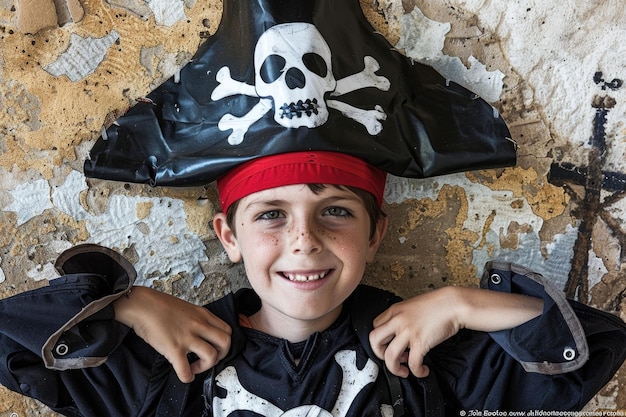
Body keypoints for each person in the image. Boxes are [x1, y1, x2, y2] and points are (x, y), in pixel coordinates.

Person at [1, 151, 625, 416]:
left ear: (377, 232)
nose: (304, 240)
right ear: (228, 235)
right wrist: (126, 304)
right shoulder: (163, 367)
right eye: (270, 215)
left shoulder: (425, 361)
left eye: (335, 211)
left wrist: (461, 303)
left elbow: (595, 348)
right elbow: (10, 339)